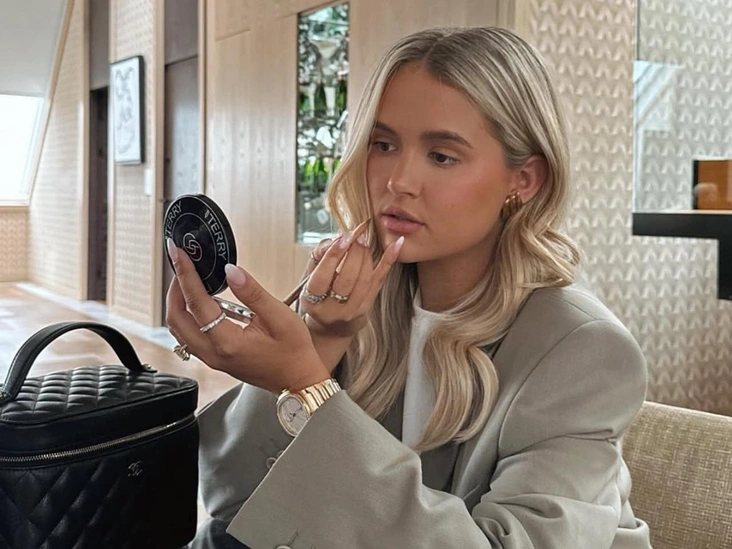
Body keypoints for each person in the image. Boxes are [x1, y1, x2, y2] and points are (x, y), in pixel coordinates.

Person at [166, 26, 652, 549]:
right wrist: (319, 343)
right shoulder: (355, 301)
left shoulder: (584, 351)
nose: (398, 181)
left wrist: (309, 386)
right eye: (383, 144)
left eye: (442, 156)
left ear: (525, 180)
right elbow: (234, 507)